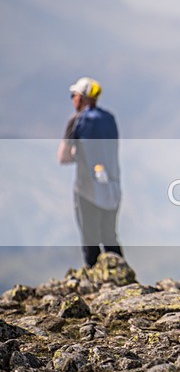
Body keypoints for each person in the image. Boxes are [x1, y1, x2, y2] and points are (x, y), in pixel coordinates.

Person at [57, 77, 124, 267]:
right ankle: (121, 276)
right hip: (112, 188)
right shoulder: (109, 119)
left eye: (74, 95)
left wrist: (77, 156)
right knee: (110, 236)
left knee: (90, 238)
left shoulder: (76, 121)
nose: (73, 99)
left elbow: (63, 157)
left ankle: (95, 282)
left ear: (81, 98)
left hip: (86, 188)